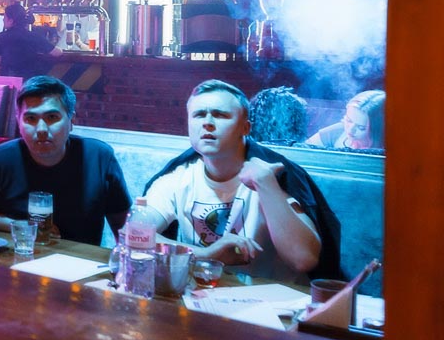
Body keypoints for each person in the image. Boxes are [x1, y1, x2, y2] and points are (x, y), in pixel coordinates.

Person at [142, 80, 343, 285]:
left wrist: (266, 183)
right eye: (199, 114)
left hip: (276, 300)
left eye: (220, 115)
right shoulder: (178, 176)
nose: (207, 123)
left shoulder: (273, 174)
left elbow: (304, 259)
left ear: (245, 128)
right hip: (204, 294)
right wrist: (205, 254)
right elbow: (134, 234)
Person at [0, 76, 130, 244]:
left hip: (83, 264)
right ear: (18, 122)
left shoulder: (98, 158)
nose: (41, 129)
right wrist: (14, 224)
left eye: (52, 117)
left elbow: (123, 229)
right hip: (14, 261)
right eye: (31, 118)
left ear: (72, 120)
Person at [0, 2, 58, 78]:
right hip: (30, 80)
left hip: (10, 80)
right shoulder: (33, 36)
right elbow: (57, 52)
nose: (3, 20)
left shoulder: (2, 36)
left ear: (11, 20)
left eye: (5, 17)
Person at [306, 90, 385, 151]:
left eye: (361, 127)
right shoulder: (335, 133)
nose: (350, 130)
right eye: (348, 120)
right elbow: (303, 152)